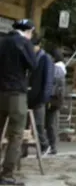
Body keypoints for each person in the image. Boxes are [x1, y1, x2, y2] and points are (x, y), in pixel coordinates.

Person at [0, 19, 37, 186]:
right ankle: (7, 173)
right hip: (16, 93)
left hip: (1, 91)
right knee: (15, 134)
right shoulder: (24, 43)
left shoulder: (2, 41)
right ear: (29, 31)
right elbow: (33, 65)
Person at [25, 35, 54, 158]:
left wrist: (44, 97)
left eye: (33, 46)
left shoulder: (45, 59)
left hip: (40, 96)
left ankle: (44, 145)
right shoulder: (29, 57)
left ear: (38, 45)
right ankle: (23, 150)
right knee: (25, 125)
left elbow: (48, 80)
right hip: (28, 95)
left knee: (38, 124)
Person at [45, 50, 67, 155]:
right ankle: (51, 145)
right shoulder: (59, 69)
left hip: (52, 99)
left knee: (50, 123)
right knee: (50, 123)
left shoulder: (56, 70)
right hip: (55, 99)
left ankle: (52, 145)